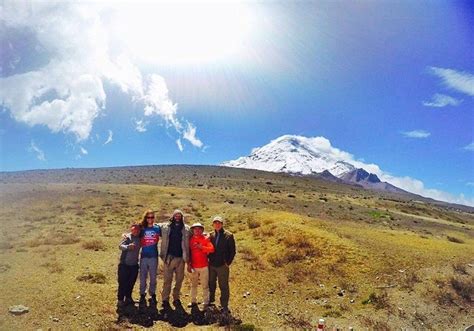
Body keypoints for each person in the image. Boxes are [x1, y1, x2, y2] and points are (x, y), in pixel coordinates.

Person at [159, 209, 191, 311]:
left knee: (179, 280)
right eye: (176, 215)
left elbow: (197, 233)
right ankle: (165, 299)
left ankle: (176, 297)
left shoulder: (186, 229)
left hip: (181, 259)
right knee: (167, 280)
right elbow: (152, 226)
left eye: (179, 216)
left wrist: (208, 235)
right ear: (173, 216)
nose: (177, 217)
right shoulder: (165, 227)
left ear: (182, 217)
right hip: (169, 257)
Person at [208, 215, 236, 314]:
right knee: (211, 284)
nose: (217, 224)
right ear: (213, 225)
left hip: (222, 265)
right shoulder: (210, 235)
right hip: (211, 265)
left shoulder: (229, 235)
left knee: (223, 285)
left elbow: (232, 251)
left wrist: (227, 262)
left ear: (222, 224)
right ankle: (211, 302)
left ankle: (224, 305)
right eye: (215, 223)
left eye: (219, 223)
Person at [187, 222, 214, 309]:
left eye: (199, 229)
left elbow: (212, 249)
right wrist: (189, 264)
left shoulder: (205, 239)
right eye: (195, 229)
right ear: (193, 230)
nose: (197, 230)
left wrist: (201, 247)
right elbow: (189, 253)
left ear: (202, 230)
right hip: (194, 266)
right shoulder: (190, 240)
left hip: (204, 266)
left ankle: (206, 302)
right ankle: (193, 301)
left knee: (205, 285)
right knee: (193, 284)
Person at [139, 210, 161, 305]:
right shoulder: (142, 228)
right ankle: (142, 293)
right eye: (148, 217)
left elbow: (167, 231)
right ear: (146, 218)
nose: (150, 219)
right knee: (143, 276)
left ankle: (152, 293)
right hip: (144, 255)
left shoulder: (157, 228)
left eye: (152, 217)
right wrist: (126, 236)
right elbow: (134, 232)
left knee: (153, 277)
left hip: (153, 256)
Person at [117, 223, 141, 308]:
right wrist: (128, 246)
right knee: (122, 282)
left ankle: (128, 298)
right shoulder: (128, 237)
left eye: (137, 230)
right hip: (124, 265)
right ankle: (120, 300)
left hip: (134, 265)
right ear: (131, 230)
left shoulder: (139, 238)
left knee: (131, 283)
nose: (136, 231)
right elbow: (120, 246)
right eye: (134, 230)